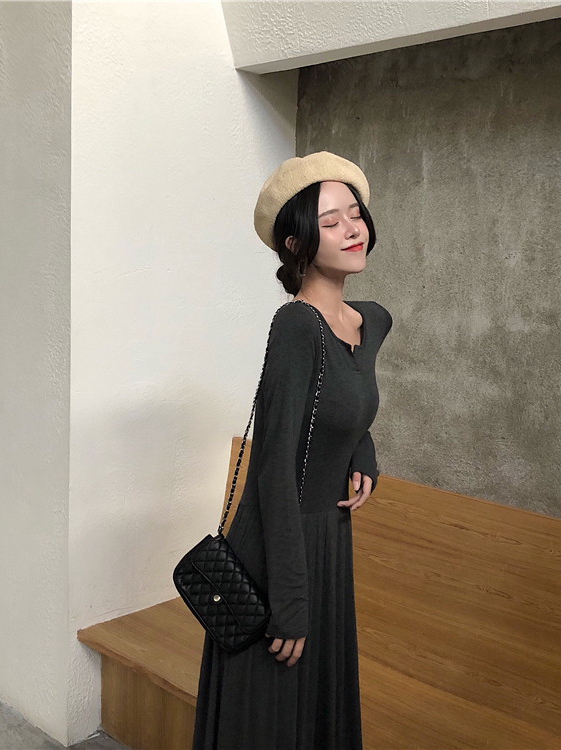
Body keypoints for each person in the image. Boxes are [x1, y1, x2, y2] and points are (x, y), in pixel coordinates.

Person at [191, 151, 393, 750]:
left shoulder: (368, 322)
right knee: (272, 716)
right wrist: (290, 600)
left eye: (354, 214)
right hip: (279, 545)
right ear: (297, 243)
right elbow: (273, 469)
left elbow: (345, 403)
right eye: (330, 222)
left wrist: (361, 452)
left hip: (328, 538)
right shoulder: (296, 326)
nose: (352, 228)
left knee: (312, 708)